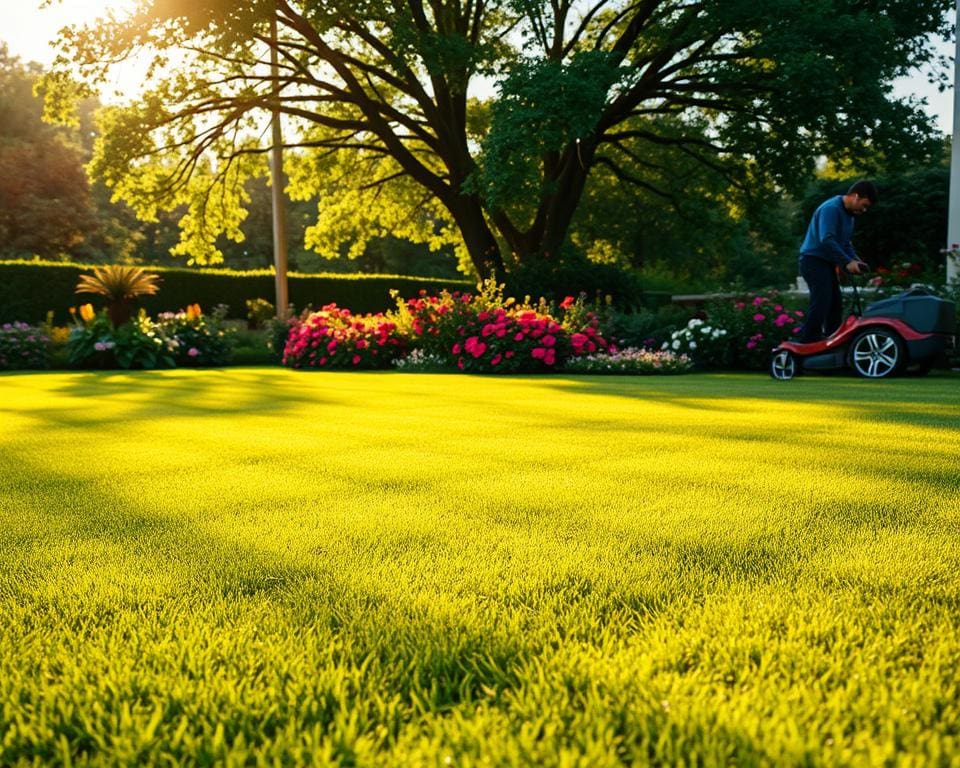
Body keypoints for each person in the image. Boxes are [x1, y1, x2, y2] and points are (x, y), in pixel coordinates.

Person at [797, 180, 876, 343]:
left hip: (826, 263)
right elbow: (826, 239)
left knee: (835, 304)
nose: (864, 210)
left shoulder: (850, 216)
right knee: (822, 301)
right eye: (864, 205)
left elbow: (845, 243)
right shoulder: (831, 209)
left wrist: (856, 260)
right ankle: (807, 343)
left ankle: (831, 343)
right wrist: (846, 262)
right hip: (812, 261)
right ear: (855, 196)